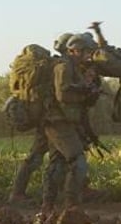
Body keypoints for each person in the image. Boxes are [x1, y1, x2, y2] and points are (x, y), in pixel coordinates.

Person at [40, 34, 101, 212]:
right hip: (58, 122)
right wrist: (84, 91)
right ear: (75, 50)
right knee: (77, 161)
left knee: (57, 164)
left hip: (63, 122)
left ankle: (48, 205)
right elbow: (63, 96)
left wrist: (90, 90)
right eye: (87, 52)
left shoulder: (75, 68)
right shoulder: (64, 67)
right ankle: (71, 204)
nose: (89, 55)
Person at [9, 32, 72, 204]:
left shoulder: (49, 64)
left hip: (45, 116)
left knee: (43, 154)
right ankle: (41, 197)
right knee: (53, 155)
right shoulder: (55, 65)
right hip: (48, 117)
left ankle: (22, 193)